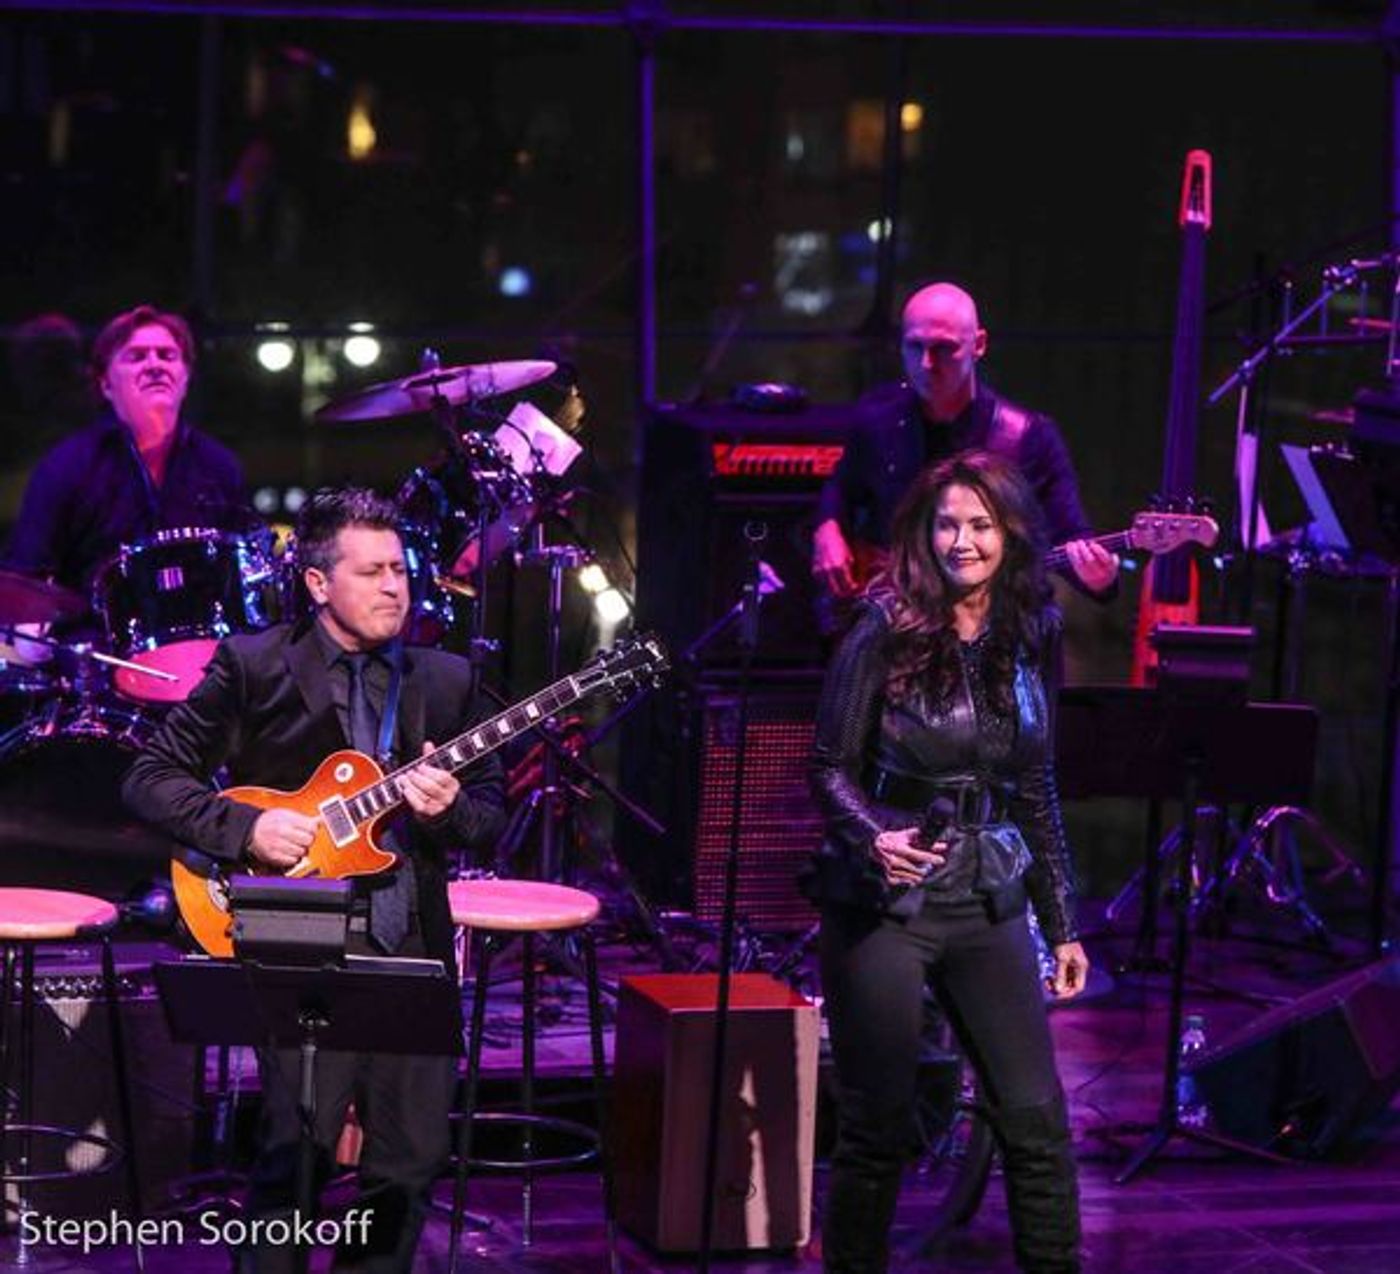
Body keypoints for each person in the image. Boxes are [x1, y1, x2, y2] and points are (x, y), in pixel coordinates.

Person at [123, 487, 506, 1273]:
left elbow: (489, 819)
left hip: (411, 943)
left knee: (408, 1164)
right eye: (371, 572)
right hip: (297, 938)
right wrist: (249, 828)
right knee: (294, 1158)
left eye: (400, 569)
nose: (396, 587)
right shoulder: (254, 663)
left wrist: (449, 808)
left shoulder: (447, 679)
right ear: (318, 582)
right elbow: (150, 777)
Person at [807, 451, 1089, 1273]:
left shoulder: (1033, 626)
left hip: (989, 891)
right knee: (880, 1125)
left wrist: (1062, 923)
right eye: (946, 524)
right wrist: (872, 835)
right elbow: (827, 765)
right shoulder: (883, 626)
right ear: (923, 534)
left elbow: (1035, 783)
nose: (962, 541)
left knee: (1036, 1121)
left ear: (1008, 533)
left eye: (980, 525)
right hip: (888, 899)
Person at [812, 282, 1117, 609]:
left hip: (990, 630)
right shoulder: (876, 419)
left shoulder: (1029, 437)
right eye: (915, 347)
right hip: (890, 624)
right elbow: (842, 486)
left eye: (944, 348)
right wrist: (828, 527)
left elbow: (1070, 536)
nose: (927, 364)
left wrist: (1099, 578)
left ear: (979, 345)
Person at [3, 303, 248, 591]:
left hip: (211, 633)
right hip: (95, 633)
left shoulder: (219, 466)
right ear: (105, 383)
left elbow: (245, 566)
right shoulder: (65, 467)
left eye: (167, 356)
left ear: (186, 378)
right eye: (137, 357)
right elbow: (25, 580)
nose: (155, 365)